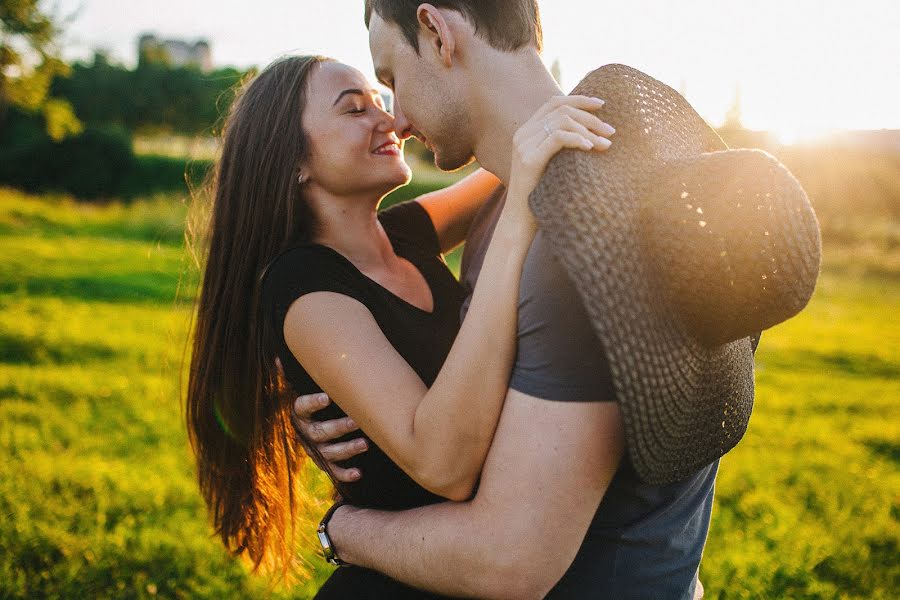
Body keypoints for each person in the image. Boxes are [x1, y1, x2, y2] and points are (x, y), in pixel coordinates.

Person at [292, 2, 721, 598]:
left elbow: (508, 561)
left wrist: (345, 529)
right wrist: (342, 400)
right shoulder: (508, 196)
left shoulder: (577, 238)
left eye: (391, 79)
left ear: (438, 33)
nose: (400, 120)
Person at [184, 52, 615, 597]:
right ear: (294, 161)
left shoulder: (406, 234)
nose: (389, 121)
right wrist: (518, 219)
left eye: (380, 101)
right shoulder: (303, 286)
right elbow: (443, 464)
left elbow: (516, 152)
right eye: (355, 109)